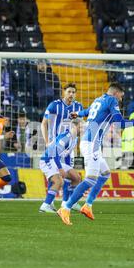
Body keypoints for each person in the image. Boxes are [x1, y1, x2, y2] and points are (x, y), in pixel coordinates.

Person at [57, 82, 134, 225]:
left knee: (105, 173)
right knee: (91, 179)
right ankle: (65, 207)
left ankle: (88, 205)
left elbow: (87, 112)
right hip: (92, 143)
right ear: (116, 94)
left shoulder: (99, 99)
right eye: (121, 97)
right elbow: (119, 124)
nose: (121, 100)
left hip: (92, 143)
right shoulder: (112, 100)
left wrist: (77, 113)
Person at [40, 83, 83, 213]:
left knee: (73, 177)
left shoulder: (78, 107)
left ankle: (67, 203)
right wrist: (47, 141)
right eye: (69, 91)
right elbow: (43, 124)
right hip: (56, 146)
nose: (71, 94)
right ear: (63, 92)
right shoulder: (55, 105)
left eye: (73, 92)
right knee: (58, 178)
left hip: (69, 147)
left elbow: (78, 126)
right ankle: (49, 202)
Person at [39, 120, 80, 214]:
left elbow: (68, 154)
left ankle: (69, 203)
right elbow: (55, 153)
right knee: (59, 181)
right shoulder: (66, 137)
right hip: (47, 160)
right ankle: (45, 206)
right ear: (73, 127)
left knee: (76, 177)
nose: (83, 129)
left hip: (55, 160)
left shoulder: (75, 138)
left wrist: (69, 169)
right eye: (80, 127)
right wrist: (61, 169)